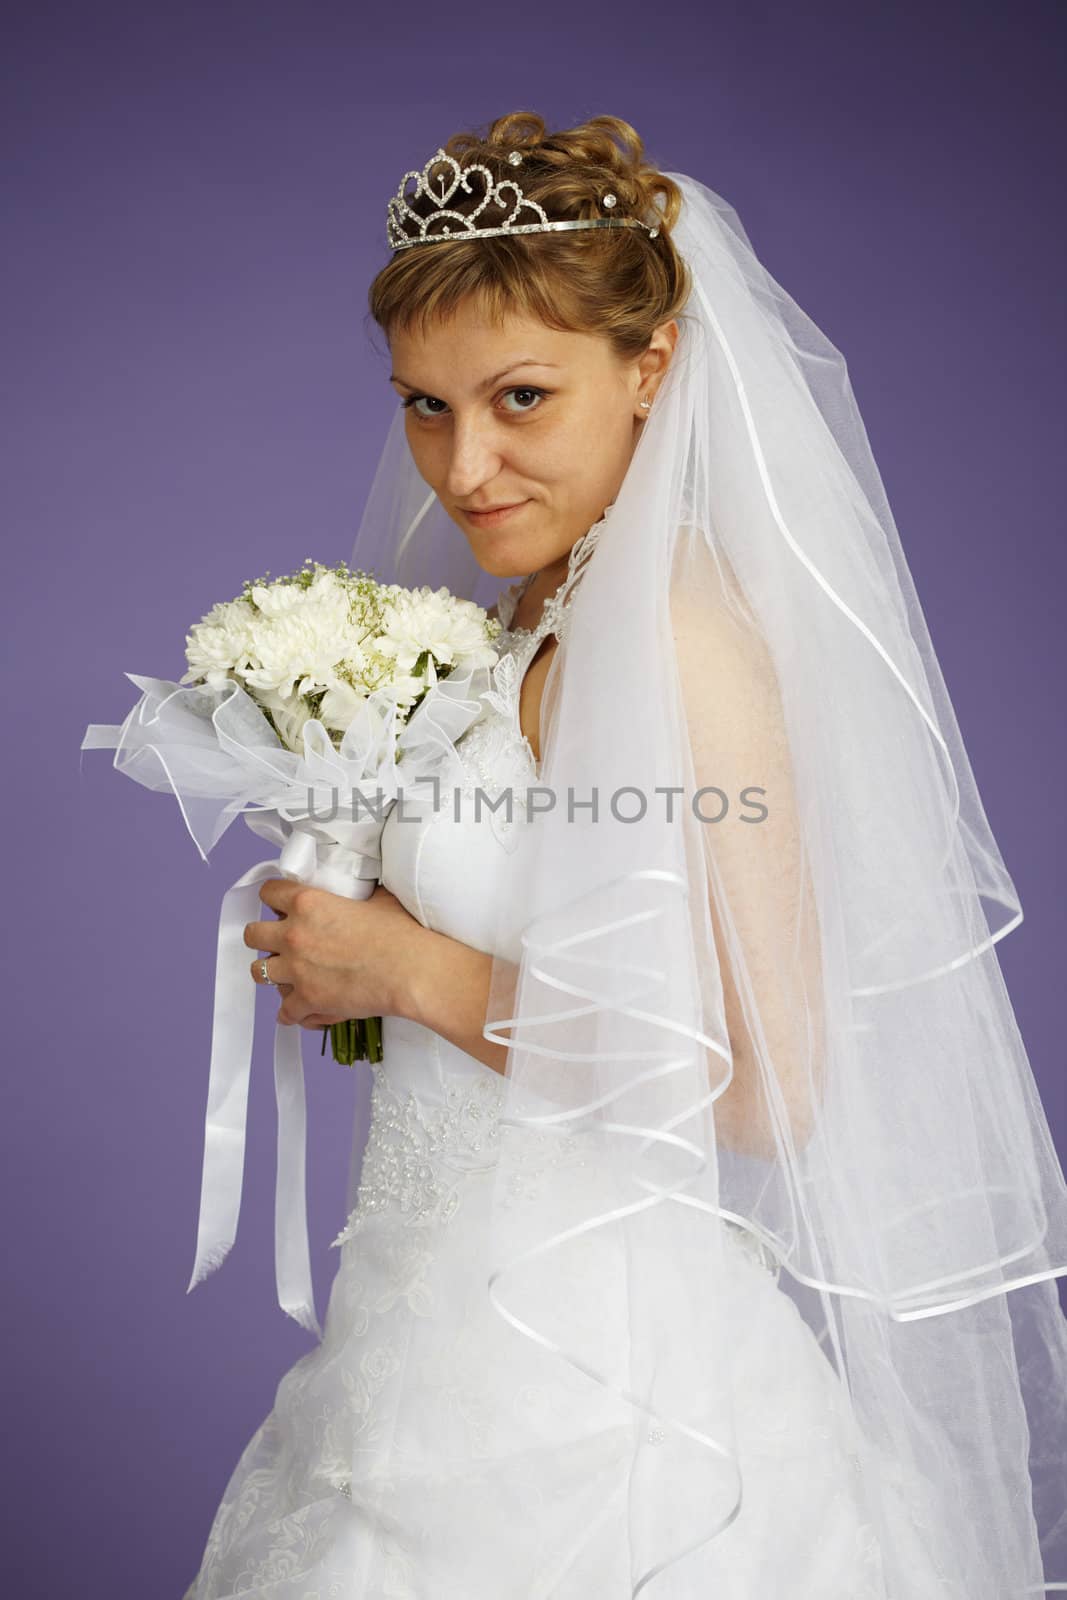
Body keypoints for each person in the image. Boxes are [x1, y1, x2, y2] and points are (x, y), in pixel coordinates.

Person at [183, 112, 1067, 1598]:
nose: (465, 466)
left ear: (650, 368)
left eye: (521, 397)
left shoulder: (679, 634)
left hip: (603, 1386)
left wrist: (411, 965)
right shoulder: (518, 621)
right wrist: (360, 930)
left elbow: (765, 1079)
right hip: (422, 1323)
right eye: (423, 405)